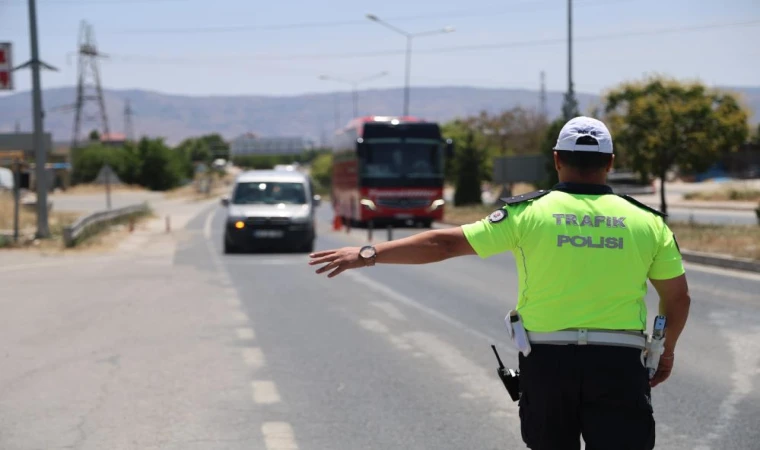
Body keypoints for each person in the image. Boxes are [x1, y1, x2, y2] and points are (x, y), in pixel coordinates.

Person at [309, 116, 691, 450]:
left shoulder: (528, 213)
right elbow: (677, 298)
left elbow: (443, 244)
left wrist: (368, 253)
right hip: (620, 364)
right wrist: (666, 351)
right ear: (610, 162)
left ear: (556, 159)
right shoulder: (648, 222)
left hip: (548, 365)